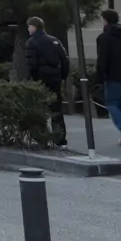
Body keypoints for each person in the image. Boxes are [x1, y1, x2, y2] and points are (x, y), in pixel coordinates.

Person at [23, 16, 70, 148]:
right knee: (56, 109)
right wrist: (62, 76)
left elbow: (32, 65)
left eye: (29, 26)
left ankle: (41, 137)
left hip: (40, 79)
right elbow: (65, 60)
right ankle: (60, 140)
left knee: (39, 109)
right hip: (55, 79)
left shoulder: (31, 42)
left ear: (34, 26)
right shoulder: (54, 40)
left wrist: (34, 79)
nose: (28, 29)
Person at [94, 9, 121, 146]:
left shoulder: (104, 37)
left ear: (105, 20)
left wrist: (100, 75)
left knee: (112, 103)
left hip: (113, 76)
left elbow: (102, 59)